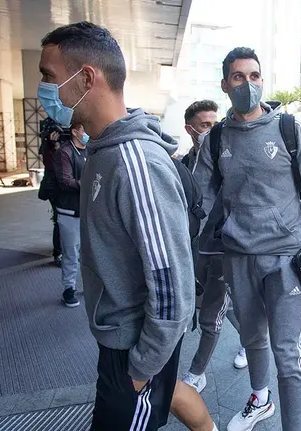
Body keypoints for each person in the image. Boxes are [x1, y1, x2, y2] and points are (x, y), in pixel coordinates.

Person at [38, 22, 216, 431]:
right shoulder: (102, 151)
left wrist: (141, 369)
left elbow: (172, 286)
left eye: (49, 76)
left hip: (135, 352)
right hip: (120, 342)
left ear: (85, 78)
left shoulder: (135, 164)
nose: (44, 89)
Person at [193, 47, 301, 431]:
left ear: (262, 80)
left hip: (285, 259)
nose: (248, 83)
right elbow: (200, 203)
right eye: (239, 77)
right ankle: (260, 399)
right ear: (225, 84)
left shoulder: (288, 129)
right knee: (254, 339)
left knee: (288, 355)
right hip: (238, 258)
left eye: (254, 76)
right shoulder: (217, 138)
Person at [180, 100, 247, 394]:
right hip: (191, 248)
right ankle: (251, 339)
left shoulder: (227, 160)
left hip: (220, 247)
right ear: (190, 129)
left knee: (212, 311)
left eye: (213, 123)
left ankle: (197, 372)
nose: (211, 130)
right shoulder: (181, 165)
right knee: (222, 306)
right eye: (205, 125)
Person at [52, 123, 88, 307]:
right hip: (69, 211)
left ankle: (89, 287)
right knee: (71, 253)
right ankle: (69, 288)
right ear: (74, 132)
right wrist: (88, 183)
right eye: (84, 129)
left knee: (89, 254)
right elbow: (65, 181)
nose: (87, 133)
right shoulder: (65, 152)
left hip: (88, 211)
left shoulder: (90, 150)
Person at [39, 117, 63, 267]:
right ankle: (58, 253)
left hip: (65, 186)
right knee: (60, 219)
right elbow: (52, 165)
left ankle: (67, 249)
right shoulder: (47, 146)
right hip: (55, 187)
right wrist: (53, 145)